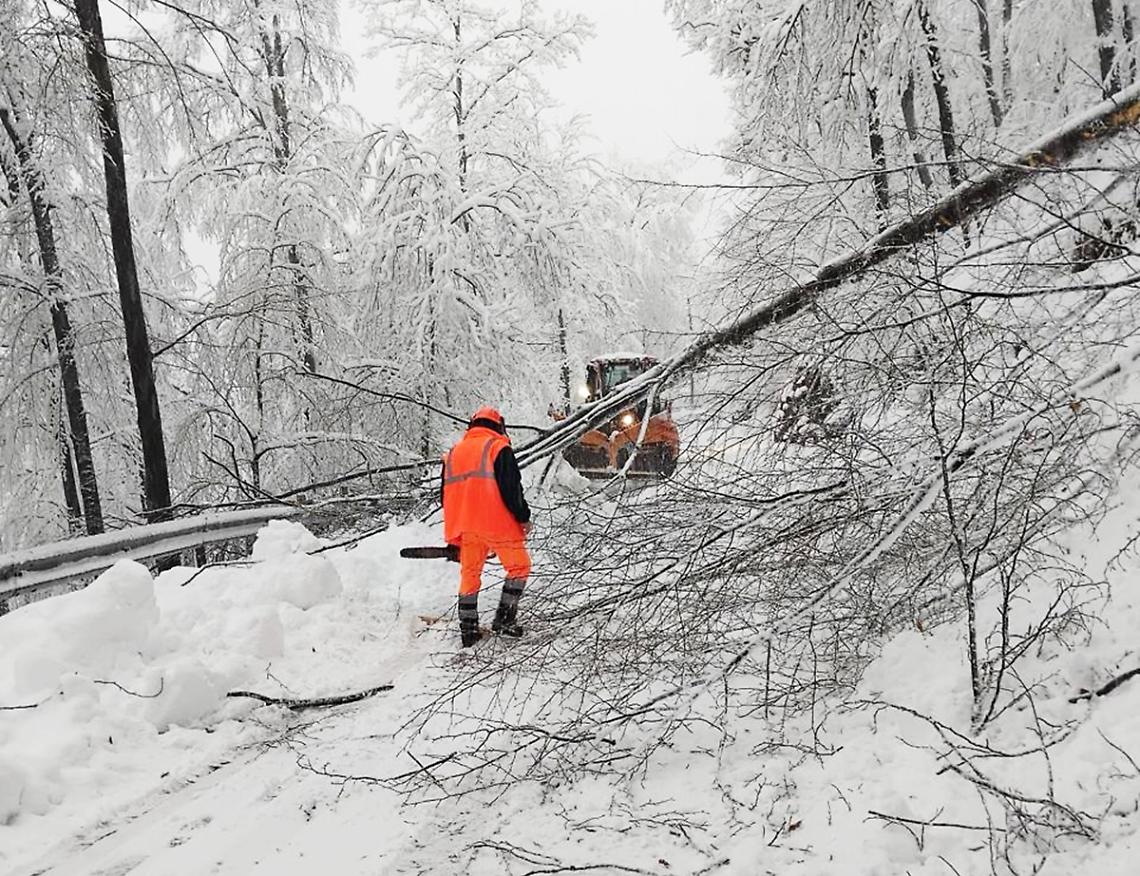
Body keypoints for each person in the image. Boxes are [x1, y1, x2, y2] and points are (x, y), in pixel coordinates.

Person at [441, 406, 532, 647]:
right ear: (499, 426)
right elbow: (512, 488)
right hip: (497, 523)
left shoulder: (453, 454)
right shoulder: (497, 448)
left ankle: (468, 629)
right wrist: (523, 517)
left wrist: (453, 538)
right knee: (519, 567)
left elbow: (446, 496)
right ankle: (503, 621)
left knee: (470, 575)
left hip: (466, 526)